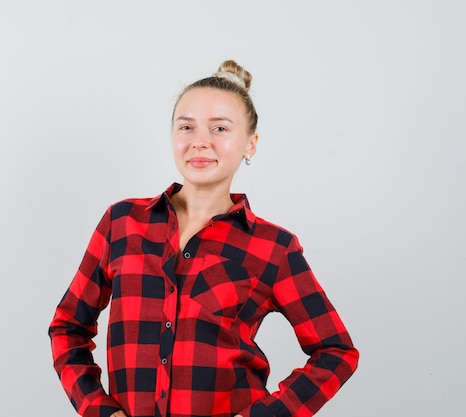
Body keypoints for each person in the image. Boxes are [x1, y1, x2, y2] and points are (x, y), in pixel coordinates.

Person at [49, 60, 359, 417]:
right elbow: (68, 326)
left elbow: (336, 351)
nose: (200, 142)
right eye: (187, 126)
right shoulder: (121, 223)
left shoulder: (274, 248)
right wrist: (99, 410)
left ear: (250, 144)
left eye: (219, 128)